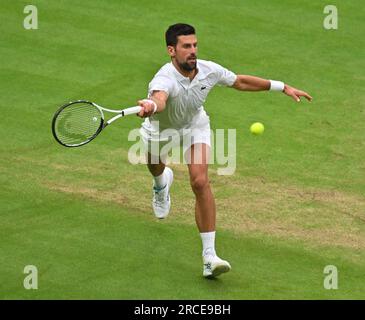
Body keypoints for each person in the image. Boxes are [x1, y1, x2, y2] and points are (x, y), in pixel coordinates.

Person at [137, 23, 312, 278]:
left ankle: (209, 257)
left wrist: (282, 86)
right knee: (155, 167)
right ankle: (161, 184)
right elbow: (160, 98)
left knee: (199, 181)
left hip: (194, 127)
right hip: (160, 131)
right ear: (171, 51)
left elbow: (239, 81)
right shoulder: (163, 78)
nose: (193, 51)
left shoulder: (209, 70)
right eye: (186, 46)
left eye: (195, 45)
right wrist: (151, 105)